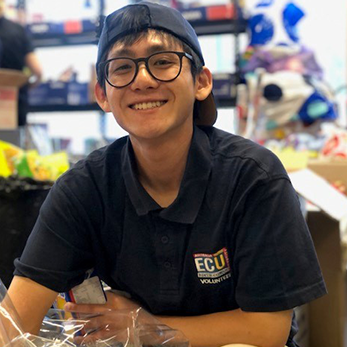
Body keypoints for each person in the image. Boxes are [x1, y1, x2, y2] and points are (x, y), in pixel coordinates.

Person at [8, 2, 326, 347]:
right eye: (122, 67)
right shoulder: (83, 189)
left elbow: (267, 331)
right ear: (102, 94)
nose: (142, 80)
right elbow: (13, 321)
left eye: (162, 62)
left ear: (201, 82)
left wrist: (144, 327)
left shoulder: (254, 179)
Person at [0, 0, 42, 127]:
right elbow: (38, 72)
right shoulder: (18, 31)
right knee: (12, 144)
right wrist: (25, 86)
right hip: (13, 103)